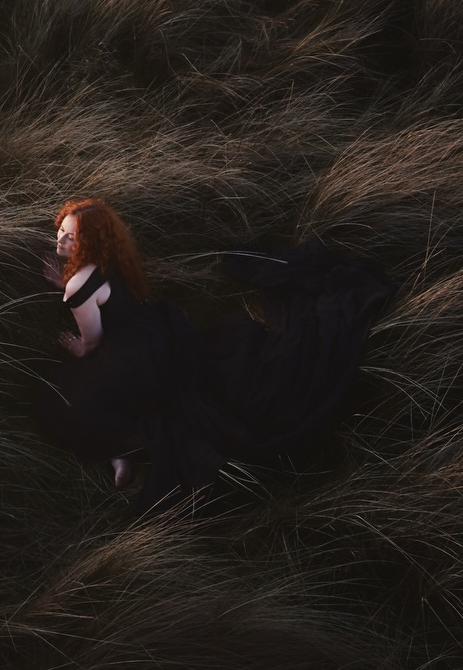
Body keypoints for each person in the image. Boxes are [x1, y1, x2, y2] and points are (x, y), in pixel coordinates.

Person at [33, 198, 395, 515]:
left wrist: (78, 343)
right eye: (61, 231)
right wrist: (68, 286)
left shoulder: (78, 285)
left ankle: (123, 449)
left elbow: (94, 341)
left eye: (70, 236)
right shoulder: (110, 259)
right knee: (133, 396)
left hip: (131, 356)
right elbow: (104, 294)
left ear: (89, 242)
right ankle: (122, 451)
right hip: (157, 335)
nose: (60, 240)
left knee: (60, 398)